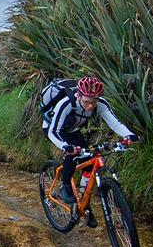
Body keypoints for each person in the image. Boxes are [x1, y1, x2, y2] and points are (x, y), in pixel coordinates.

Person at [46, 76, 138, 211]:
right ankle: (66, 186)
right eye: (86, 102)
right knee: (73, 154)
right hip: (54, 129)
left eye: (94, 102)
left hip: (73, 129)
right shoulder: (65, 104)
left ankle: (83, 201)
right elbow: (53, 131)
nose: (90, 106)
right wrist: (64, 146)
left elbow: (115, 124)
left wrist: (128, 135)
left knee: (88, 163)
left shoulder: (101, 104)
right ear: (78, 95)